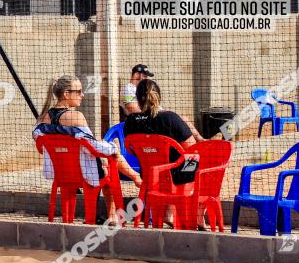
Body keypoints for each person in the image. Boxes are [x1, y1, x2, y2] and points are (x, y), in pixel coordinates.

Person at [34, 75, 142, 224]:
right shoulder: (75, 116)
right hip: (85, 172)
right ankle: (136, 179)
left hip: (61, 173)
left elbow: (42, 147)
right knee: (111, 158)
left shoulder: (44, 118)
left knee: (107, 159)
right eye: (78, 91)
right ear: (66, 94)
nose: (82, 95)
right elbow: (93, 146)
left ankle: (130, 185)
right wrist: (112, 147)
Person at [123, 78, 208, 229]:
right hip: (177, 175)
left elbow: (130, 150)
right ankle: (198, 215)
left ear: (138, 99)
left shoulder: (131, 121)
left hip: (149, 175)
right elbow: (192, 149)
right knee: (204, 162)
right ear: (158, 96)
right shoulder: (170, 118)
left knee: (169, 165)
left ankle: (168, 212)